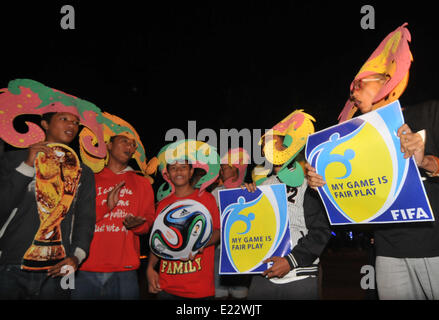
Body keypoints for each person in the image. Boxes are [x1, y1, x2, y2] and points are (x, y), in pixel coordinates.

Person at [306, 24, 439, 299]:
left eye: (359, 83)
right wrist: (324, 186)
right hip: (387, 252)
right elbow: (355, 205)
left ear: (386, 79)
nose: (352, 91)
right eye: (350, 88)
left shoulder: (429, 112)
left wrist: (424, 160)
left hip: (434, 248)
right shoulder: (356, 141)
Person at [0, 111, 96, 299]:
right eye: (64, 119)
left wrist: (76, 257)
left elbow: (85, 218)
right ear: (45, 124)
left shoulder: (83, 172)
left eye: (76, 122)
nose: (72, 125)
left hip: (58, 267)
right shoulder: (13, 160)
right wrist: (28, 165)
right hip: (11, 263)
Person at [244, 110, 331, 300]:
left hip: (299, 275)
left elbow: (320, 231)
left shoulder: (310, 182)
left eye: (276, 144)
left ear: (289, 146)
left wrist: (291, 261)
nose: (271, 150)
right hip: (263, 275)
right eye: (267, 148)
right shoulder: (264, 186)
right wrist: (244, 199)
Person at [71, 113, 157, 300]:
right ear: (108, 145)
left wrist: (138, 225)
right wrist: (106, 206)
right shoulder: (88, 179)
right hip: (86, 267)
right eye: (124, 141)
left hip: (124, 271)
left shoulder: (142, 183)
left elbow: (149, 221)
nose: (130, 147)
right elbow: (77, 219)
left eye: (133, 144)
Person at [147, 140, 221, 299]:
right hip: (167, 287)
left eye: (183, 167)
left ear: (191, 171)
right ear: (167, 173)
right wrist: (150, 268)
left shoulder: (207, 199)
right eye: (173, 168)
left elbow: (218, 232)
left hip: (199, 289)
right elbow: (158, 240)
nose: (178, 172)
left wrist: (198, 243)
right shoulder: (162, 205)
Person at [211, 148, 251, 300]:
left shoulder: (247, 190)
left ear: (237, 169)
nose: (221, 171)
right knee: (219, 294)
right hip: (219, 251)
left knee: (240, 295)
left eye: (225, 167)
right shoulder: (215, 192)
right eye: (220, 168)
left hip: (241, 251)